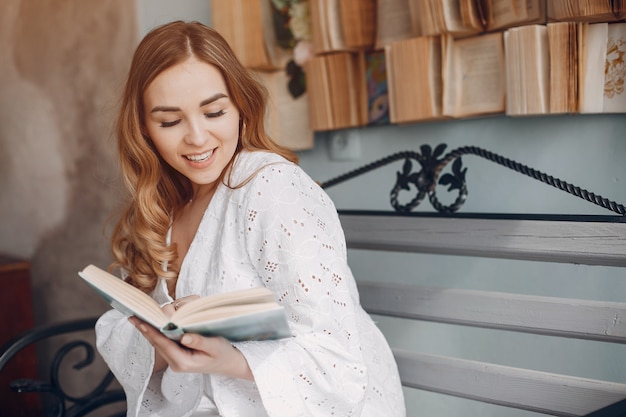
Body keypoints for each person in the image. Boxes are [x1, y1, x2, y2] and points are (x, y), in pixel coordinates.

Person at [95, 20, 405, 417]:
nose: (197, 137)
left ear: (241, 107)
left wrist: (227, 359)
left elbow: (336, 359)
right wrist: (158, 337)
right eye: (170, 121)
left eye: (214, 111)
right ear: (143, 129)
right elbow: (115, 328)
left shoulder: (273, 189)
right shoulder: (163, 205)